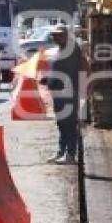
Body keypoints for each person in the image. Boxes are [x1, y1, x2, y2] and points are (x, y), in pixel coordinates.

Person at [45, 23, 88, 163]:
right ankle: (61, 151)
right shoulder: (60, 50)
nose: (55, 38)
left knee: (69, 124)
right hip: (58, 94)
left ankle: (70, 154)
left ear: (65, 36)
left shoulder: (72, 49)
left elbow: (73, 70)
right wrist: (49, 80)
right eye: (54, 35)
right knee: (62, 124)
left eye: (58, 35)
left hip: (68, 94)